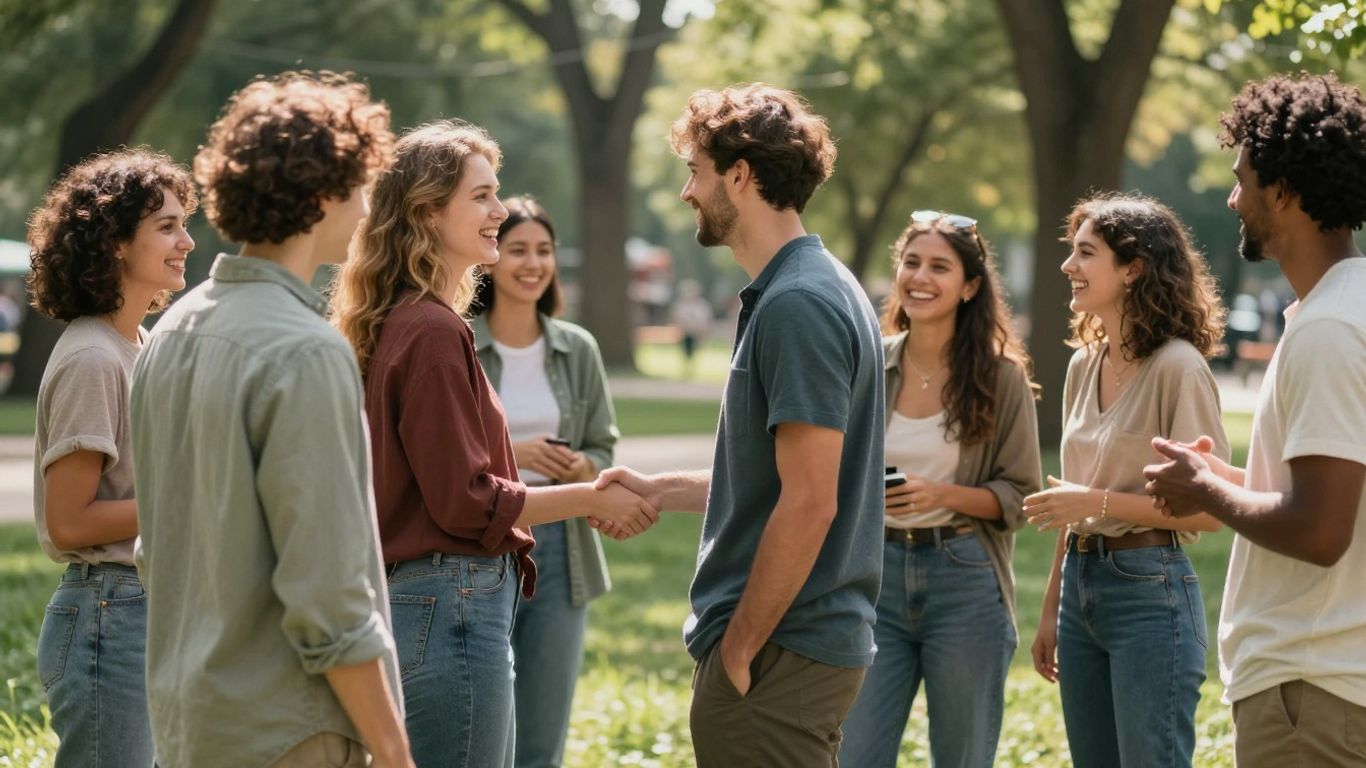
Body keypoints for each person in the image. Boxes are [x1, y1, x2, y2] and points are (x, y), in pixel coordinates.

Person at [330, 120, 657, 768]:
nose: (499, 211)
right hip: (450, 607)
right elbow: (466, 503)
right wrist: (593, 497)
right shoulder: (431, 331)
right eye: (481, 197)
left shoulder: (402, 320)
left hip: (425, 602)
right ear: (428, 210)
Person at [594, 83, 885, 767]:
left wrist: (739, 649)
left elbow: (811, 501)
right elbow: (775, 474)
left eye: (694, 171)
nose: (688, 192)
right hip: (796, 648)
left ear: (740, 175)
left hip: (782, 650)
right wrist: (660, 488)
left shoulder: (800, 303)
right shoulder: (813, 285)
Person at [129, 72, 413, 768]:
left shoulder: (171, 330)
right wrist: (396, 753)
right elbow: (329, 597)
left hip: (188, 723)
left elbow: (153, 552)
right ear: (321, 196)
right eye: (362, 186)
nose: (369, 207)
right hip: (290, 730)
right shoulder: (306, 350)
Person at [1144, 72, 1366, 767]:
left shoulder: (1330, 330)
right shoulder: (1341, 310)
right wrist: (1230, 475)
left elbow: (1322, 530)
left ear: (1286, 191)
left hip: (1312, 693)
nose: (1233, 198)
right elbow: (1336, 497)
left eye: (1242, 179)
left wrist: (1207, 493)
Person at [1024, 193, 1228, 768]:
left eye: (1085, 253)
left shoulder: (1179, 367)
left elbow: (1210, 511)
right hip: (1079, 589)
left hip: (1150, 592)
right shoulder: (1081, 365)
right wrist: (1051, 608)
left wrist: (1098, 501)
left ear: (1133, 267)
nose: (1068, 266)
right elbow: (1074, 501)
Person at [839, 210, 1041, 768]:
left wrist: (941, 495)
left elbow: (1021, 496)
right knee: (853, 755)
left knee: (964, 757)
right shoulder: (867, 365)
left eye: (939, 267)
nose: (920, 278)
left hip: (966, 583)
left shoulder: (1002, 378)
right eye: (911, 262)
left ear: (970, 285)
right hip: (872, 576)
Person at [28, 148, 195, 767]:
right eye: (166, 226)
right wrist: (188, 500)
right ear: (115, 242)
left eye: (184, 222)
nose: (187, 240)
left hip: (142, 613)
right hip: (108, 619)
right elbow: (71, 521)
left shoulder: (138, 345)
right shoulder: (94, 358)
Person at [467, 196, 619, 768]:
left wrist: (582, 467)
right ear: (490, 258)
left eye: (544, 251)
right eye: (517, 250)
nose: (532, 264)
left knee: (543, 736)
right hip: (483, 545)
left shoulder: (577, 348)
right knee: (487, 732)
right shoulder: (458, 342)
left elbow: (603, 445)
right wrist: (513, 452)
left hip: (562, 546)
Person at [671, 279, 712, 375]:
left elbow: (706, 319)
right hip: (685, 331)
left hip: (696, 331)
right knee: (685, 350)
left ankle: (691, 367)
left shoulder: (701, 305)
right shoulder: (680, 305)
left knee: (694, 350)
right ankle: (686, 367)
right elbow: (676, 318)